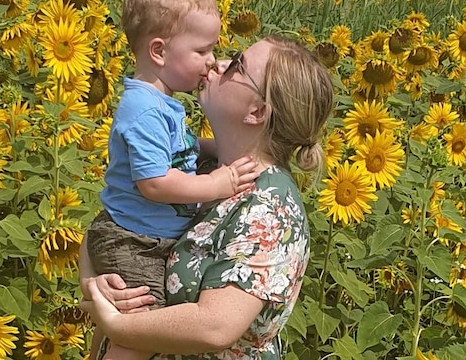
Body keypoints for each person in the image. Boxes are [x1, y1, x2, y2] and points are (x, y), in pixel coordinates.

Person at [80, 35, 334, 360]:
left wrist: (115, 324)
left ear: (257, 111)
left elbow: (215, 326)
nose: (219, 63)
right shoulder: (197, 166)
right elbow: (113, 224)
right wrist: (96, 283)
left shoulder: (270, 208)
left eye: (238, 66)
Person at [85, 0, 261, 360]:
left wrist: (216, 148)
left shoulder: (161, 103)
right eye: (202, 50)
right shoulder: (146, 109)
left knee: (126, 321)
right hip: (135, 241)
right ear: (160, 51)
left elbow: (179, 150)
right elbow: (155, 183)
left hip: (142, 236)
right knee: (143, 324)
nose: (212, 61)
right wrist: (218, 183)